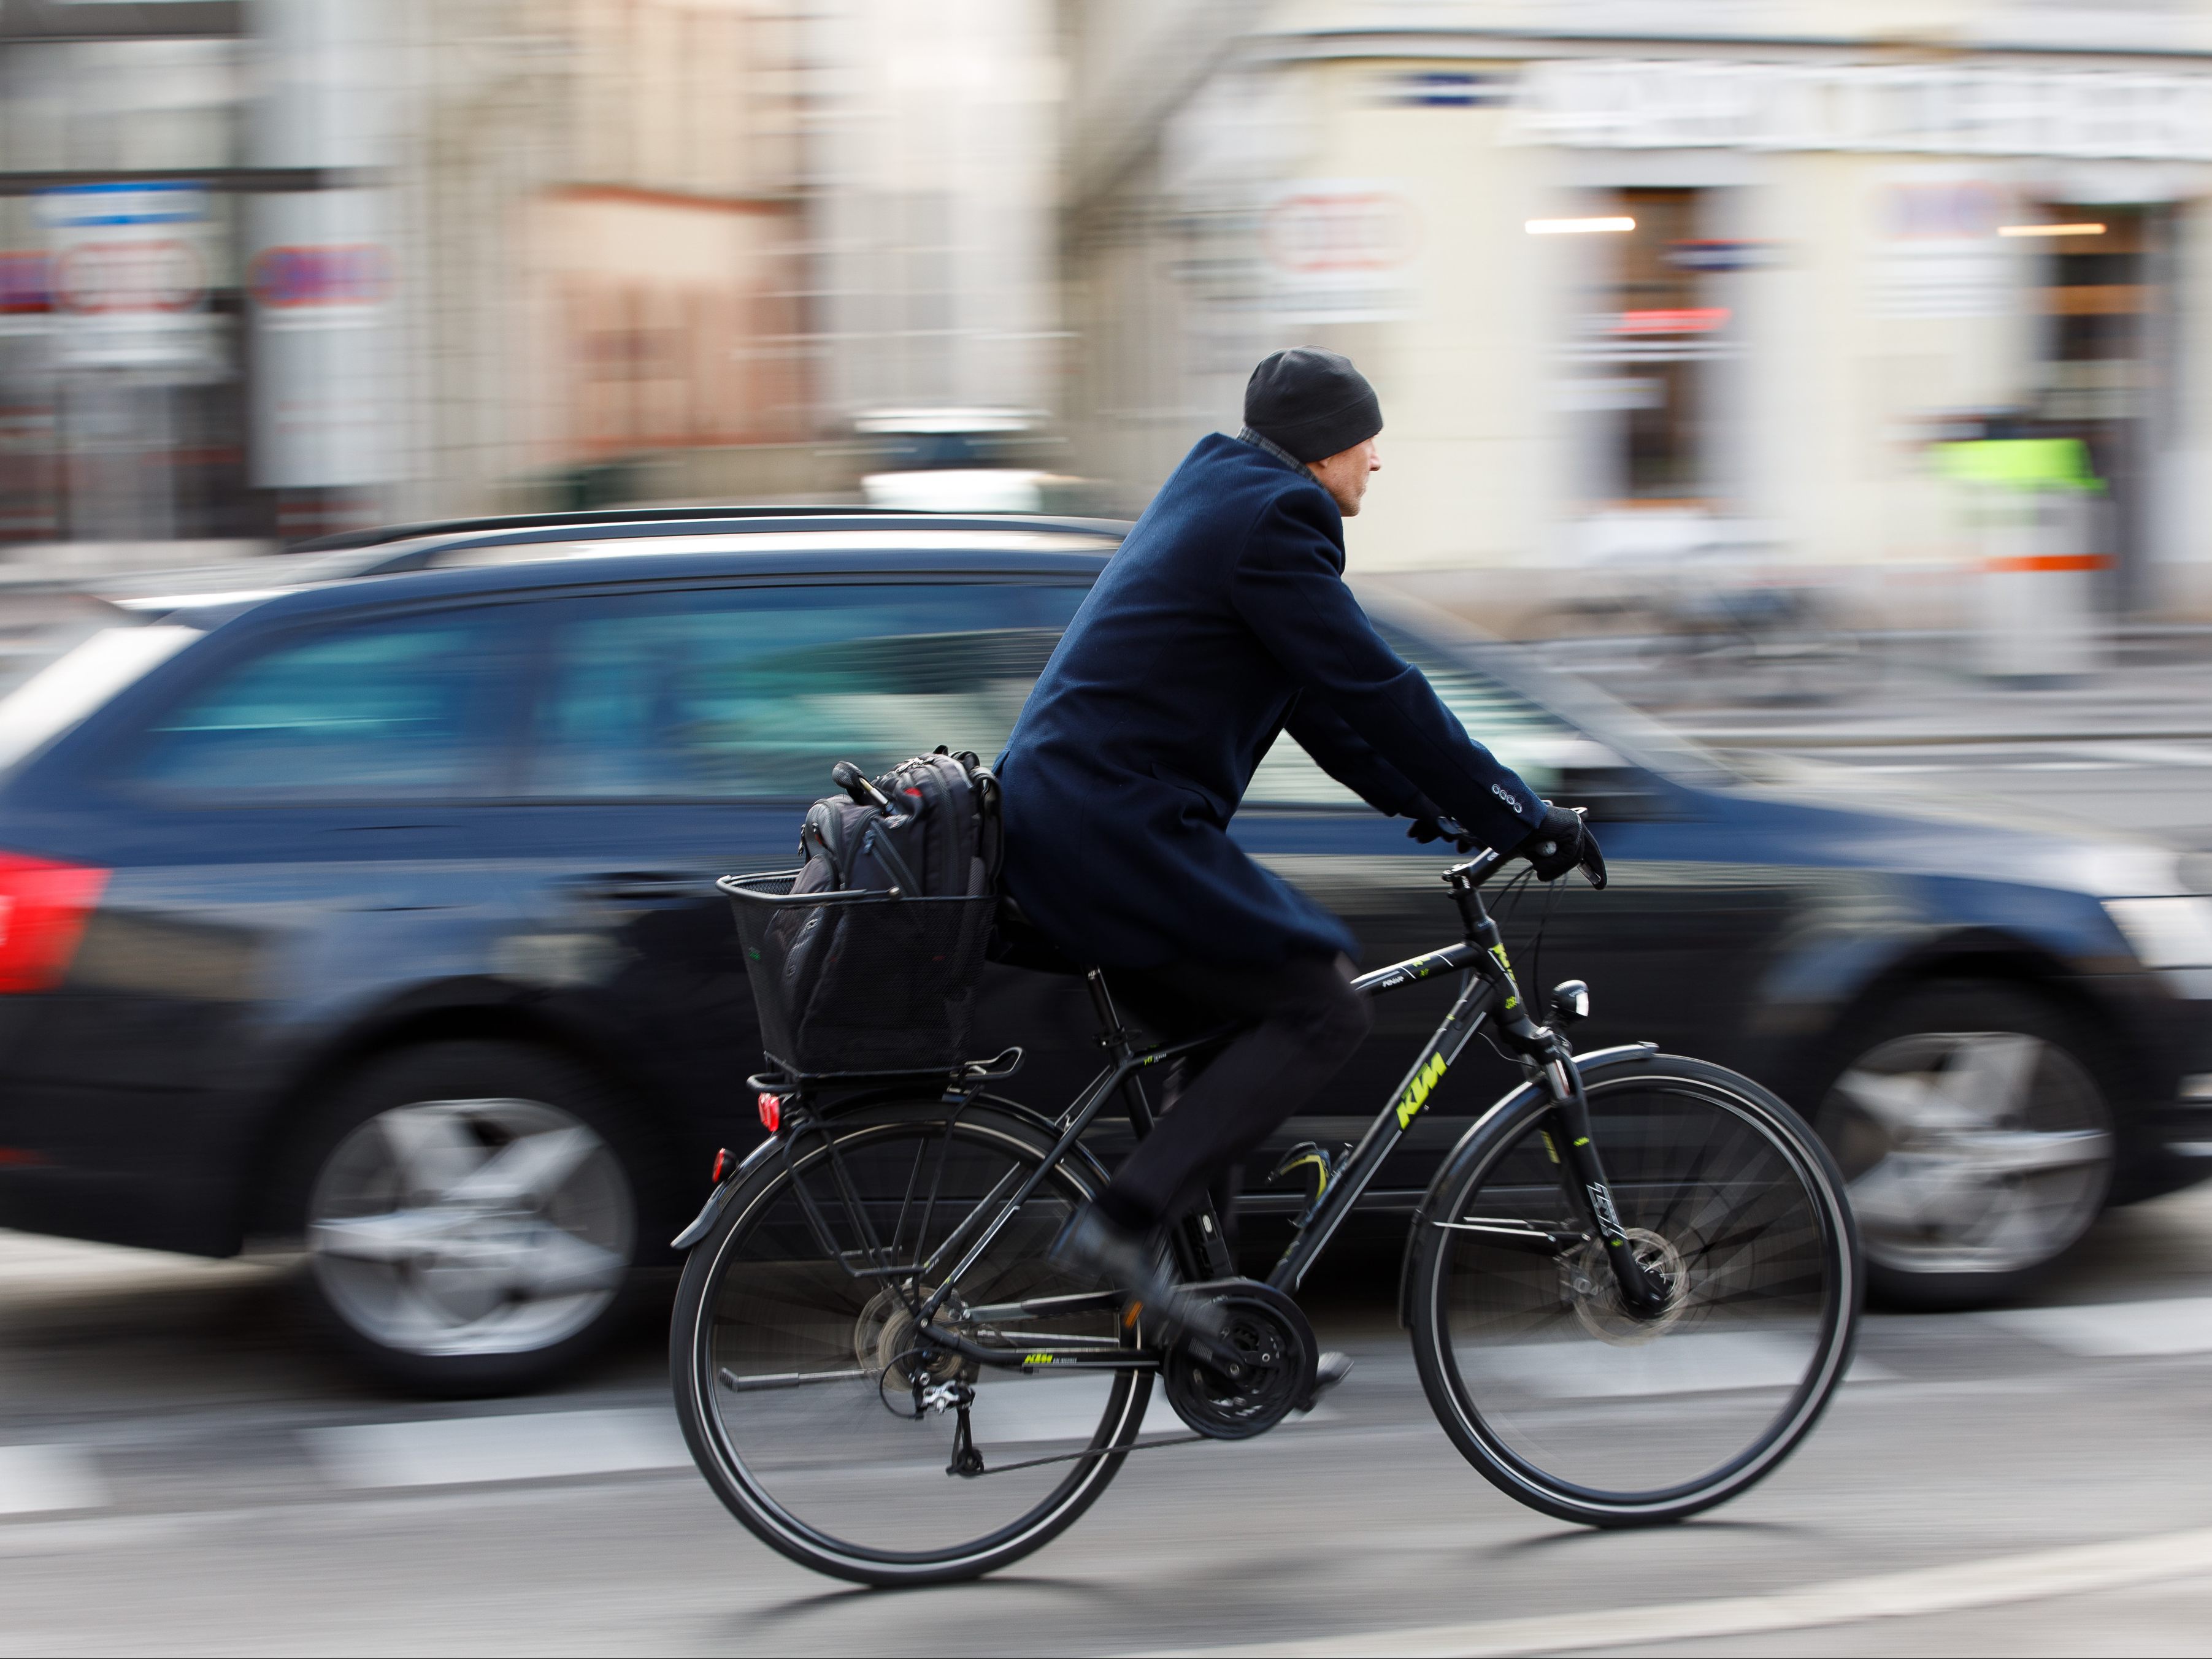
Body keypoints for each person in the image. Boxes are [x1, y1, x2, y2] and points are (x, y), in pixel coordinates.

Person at [994, 348, 1599, 1362]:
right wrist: (1519, 816)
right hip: (1113, 827)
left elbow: (1322, 709)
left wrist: (1429, 806)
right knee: (1323, 1004)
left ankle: (1201, 1316)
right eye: (1368, 441)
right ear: (1326, 449)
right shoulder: (1277, 521)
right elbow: (1378, 687)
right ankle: (1120, 1222)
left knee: (1233, 1033)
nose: (1376, 462)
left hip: (1078, 819)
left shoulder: (1223, 497)